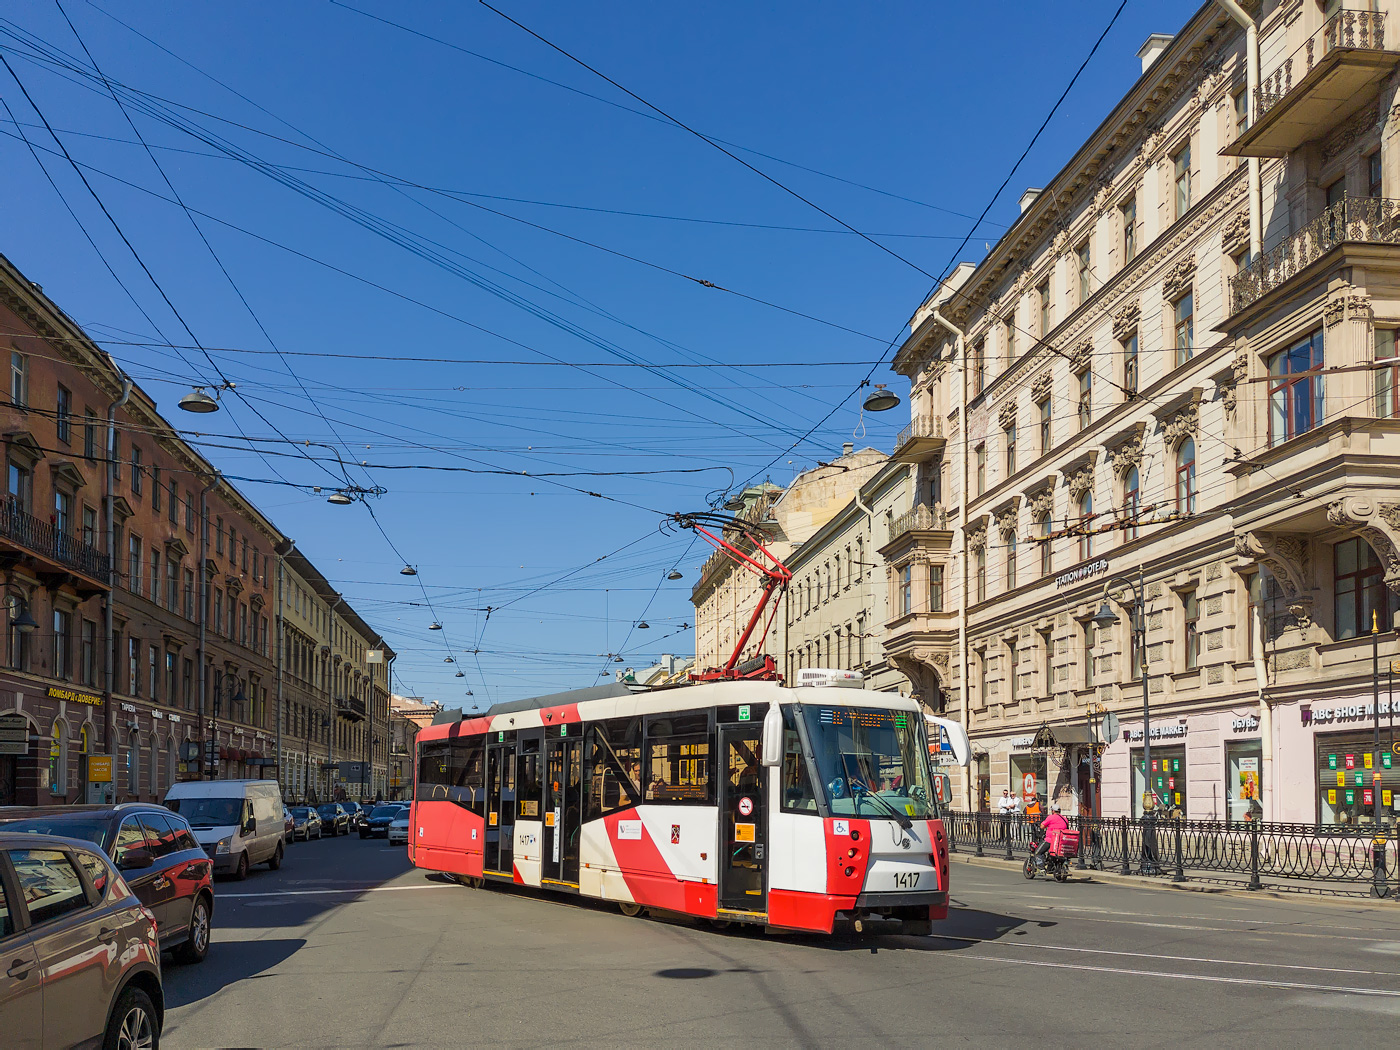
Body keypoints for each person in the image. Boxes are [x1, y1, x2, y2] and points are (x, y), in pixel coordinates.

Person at [1032, 802, 1070, 866]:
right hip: (1061, 841)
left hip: (1050, 840)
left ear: (1053, 811)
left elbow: (1042, 826)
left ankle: (1040, 867)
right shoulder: (1065, 819)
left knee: (1038, 853)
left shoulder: (1050, 817)